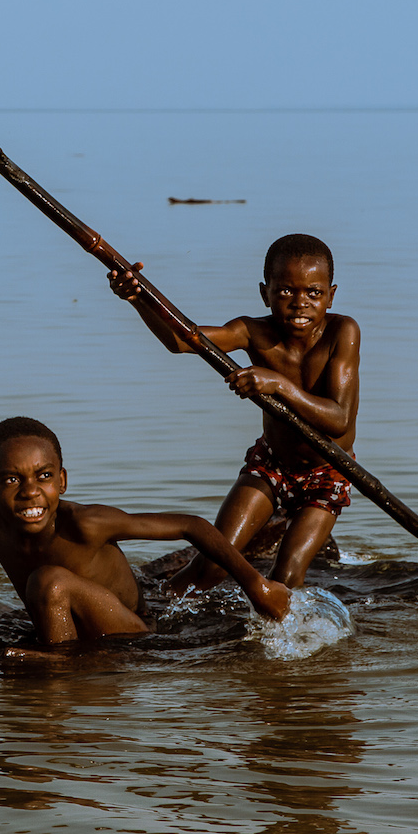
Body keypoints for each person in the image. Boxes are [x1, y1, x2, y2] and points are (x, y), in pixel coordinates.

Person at [0, 416, 291, 650]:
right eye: (10, 480)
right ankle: (56, 649)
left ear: (63, 480)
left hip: (132, 628)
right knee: (46, 586)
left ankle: (60, 664)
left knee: (49, 579)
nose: (29, 493)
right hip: (62, 614)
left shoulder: (86, 523)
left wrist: (257, 587)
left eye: (43, 476)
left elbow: (191, 525)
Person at [109, 233, 357, 592]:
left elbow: (338, 420)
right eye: (285, 292)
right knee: (210, 564)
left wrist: (279, 385)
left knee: (286, 578)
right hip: (273, 463)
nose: (300, 303)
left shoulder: (342, 332)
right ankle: (151, 619)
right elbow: (183, 340)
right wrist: (137, 297)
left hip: (327, 470)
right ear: (265, 293)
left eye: (314, 293)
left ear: (331, 295)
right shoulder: (252, 331)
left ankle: (279, 642)